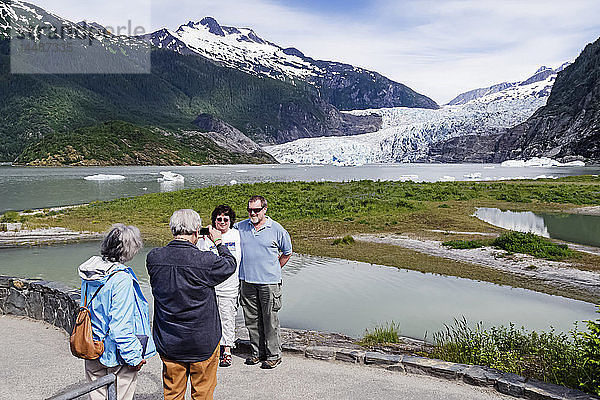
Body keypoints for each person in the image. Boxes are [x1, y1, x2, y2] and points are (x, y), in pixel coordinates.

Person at [146, 209, 236, 400]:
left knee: (172, 394)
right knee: (202, 394)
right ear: (197, 231)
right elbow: (229, 264)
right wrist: (219, 242)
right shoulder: (206, 261)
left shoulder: (154, 258)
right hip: (202, 341)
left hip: (169, 341)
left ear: (173, 230)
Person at [78, 224, 156, 400]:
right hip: (116, 352)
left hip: (92, 345)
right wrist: (134, 357)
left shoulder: (90, 273)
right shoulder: (121, 279)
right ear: (130, 249)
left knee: (96, 393)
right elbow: (120, 326)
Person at [235, 195, 292, 369]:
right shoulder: (240, 227)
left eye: (256, 210)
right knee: (251, 320)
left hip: (269, 283)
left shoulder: (277, 229)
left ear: (264, 209)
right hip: (247, 282)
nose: (253, 213)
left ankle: (274, 355)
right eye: (250, 210)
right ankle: (256, 353)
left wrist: (273, 269)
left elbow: (287, 252)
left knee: (270, 320)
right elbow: (224, 232)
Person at [197, 205, 241, 368]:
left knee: (227, 318)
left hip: (229, 287)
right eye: (219, 219)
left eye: (226, 219)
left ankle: (227, 351)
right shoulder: (204, 237)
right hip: (208, 287)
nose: (222, 222)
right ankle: (210, 350)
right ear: (214, 221)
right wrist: (203, 233)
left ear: (231, 222)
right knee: (206, 320)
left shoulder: (236, 234)